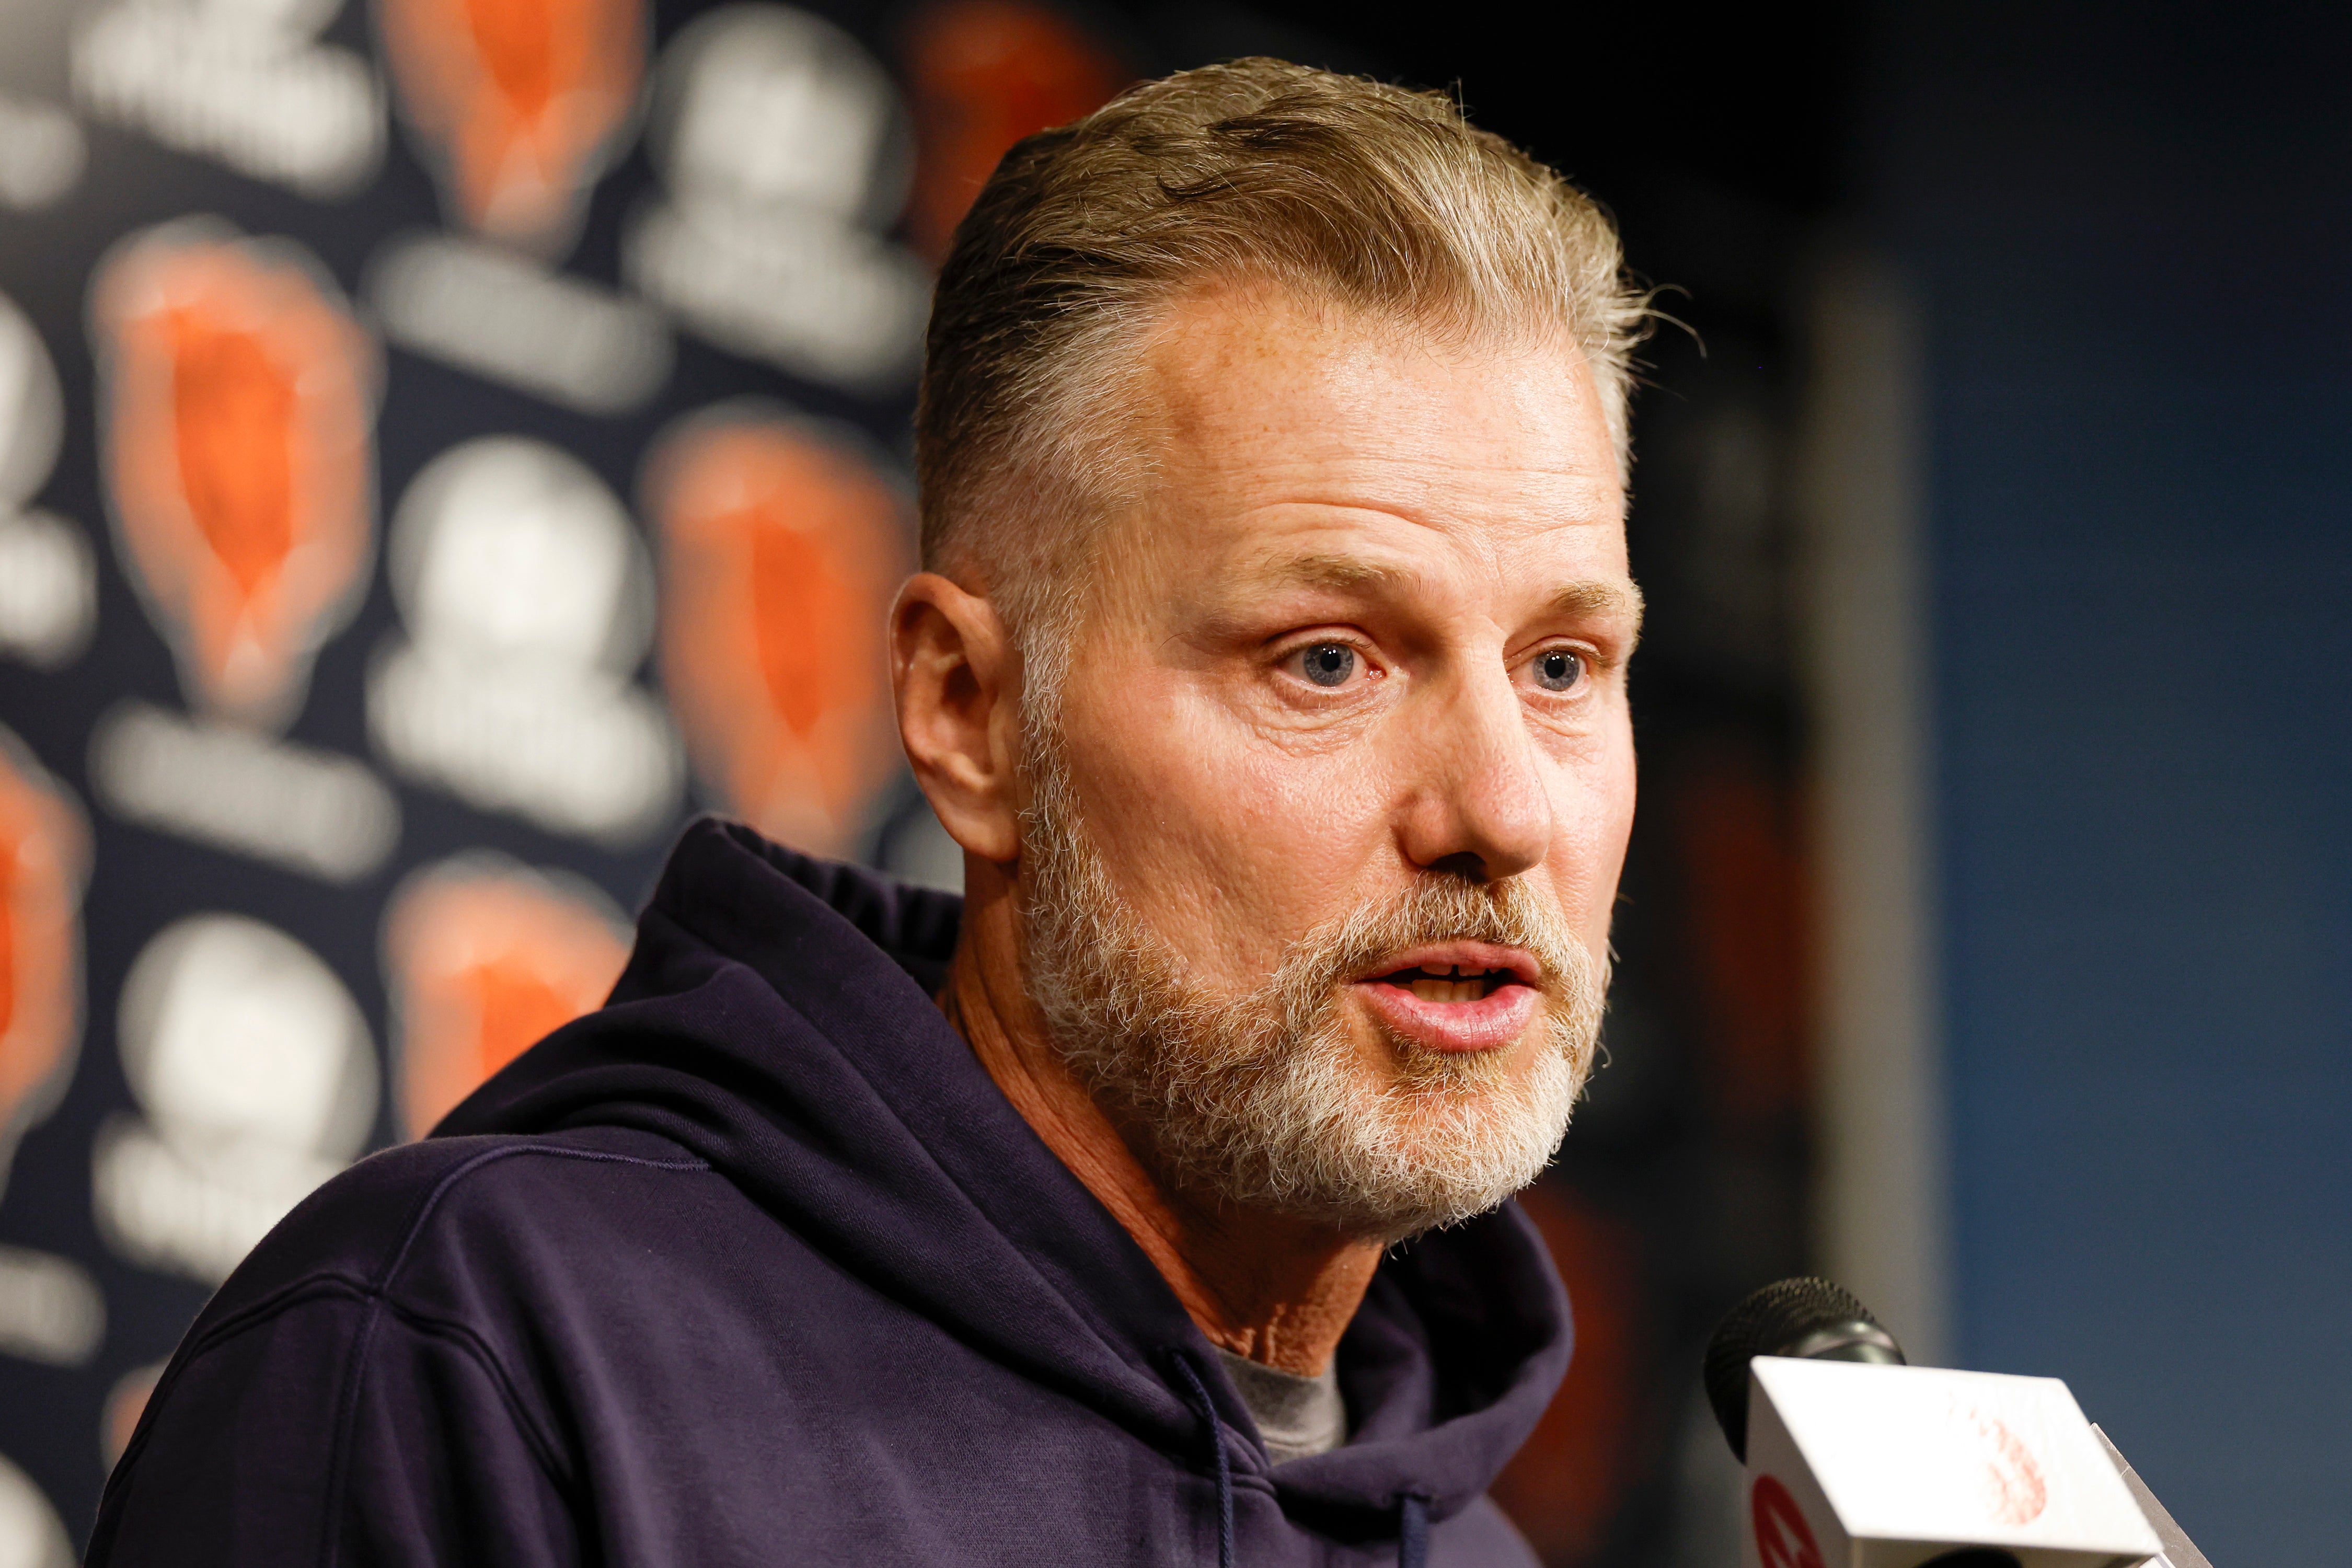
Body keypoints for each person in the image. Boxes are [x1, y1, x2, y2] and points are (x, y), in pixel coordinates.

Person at [89, 58, 1651, 1568]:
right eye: (1326, 660)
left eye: (1564, 665)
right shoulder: (478, 1358)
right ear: (968, 715)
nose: (1503, 808)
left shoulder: (1475, 1543)